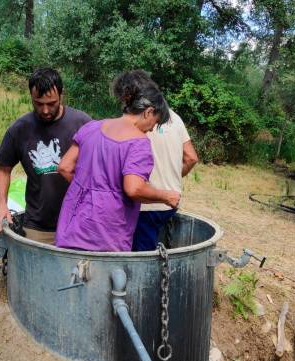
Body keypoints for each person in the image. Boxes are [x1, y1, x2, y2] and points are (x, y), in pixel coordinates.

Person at [55, 71, 181, 252]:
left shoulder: (91, 127)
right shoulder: (138, 142)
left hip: (73, 228)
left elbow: (65, 167)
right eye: (156, 121)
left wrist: (89, 189)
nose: (152, 128)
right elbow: (134, 188)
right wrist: (166, 196)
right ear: (148, 112)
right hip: (107, 234)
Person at [0, 68, 92, 244]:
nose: (45, 110)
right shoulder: (20, 129)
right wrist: (1, 205)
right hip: (38, 225)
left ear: (62, 95)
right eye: (38, 103)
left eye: (51, 103)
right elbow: (3, 169)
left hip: (79, 222)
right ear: (31, 97)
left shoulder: (82, 124)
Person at [114, 72, 198, 251]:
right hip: (170, 202)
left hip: (144, 203)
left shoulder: (135, 120)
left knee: (138, 258)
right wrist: (172, 178)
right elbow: (191, 158)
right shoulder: (175, 117)